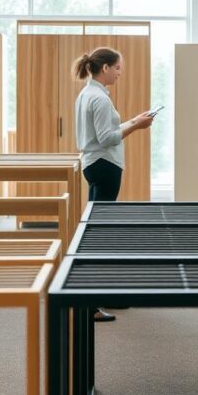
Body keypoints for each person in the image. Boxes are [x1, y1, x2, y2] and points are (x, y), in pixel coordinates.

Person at [72, 47, 153, 321]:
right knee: (99, 235)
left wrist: (133, 120)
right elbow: (107, 138)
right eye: (118, 68)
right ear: (104, 68)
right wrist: (136, 127)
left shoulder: (87, 94)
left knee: (96, 230)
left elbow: (100, 134)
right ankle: (92, 303)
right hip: (106, 164)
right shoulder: (100, 99)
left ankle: (101, 294)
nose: (120, 73)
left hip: (94, 164)